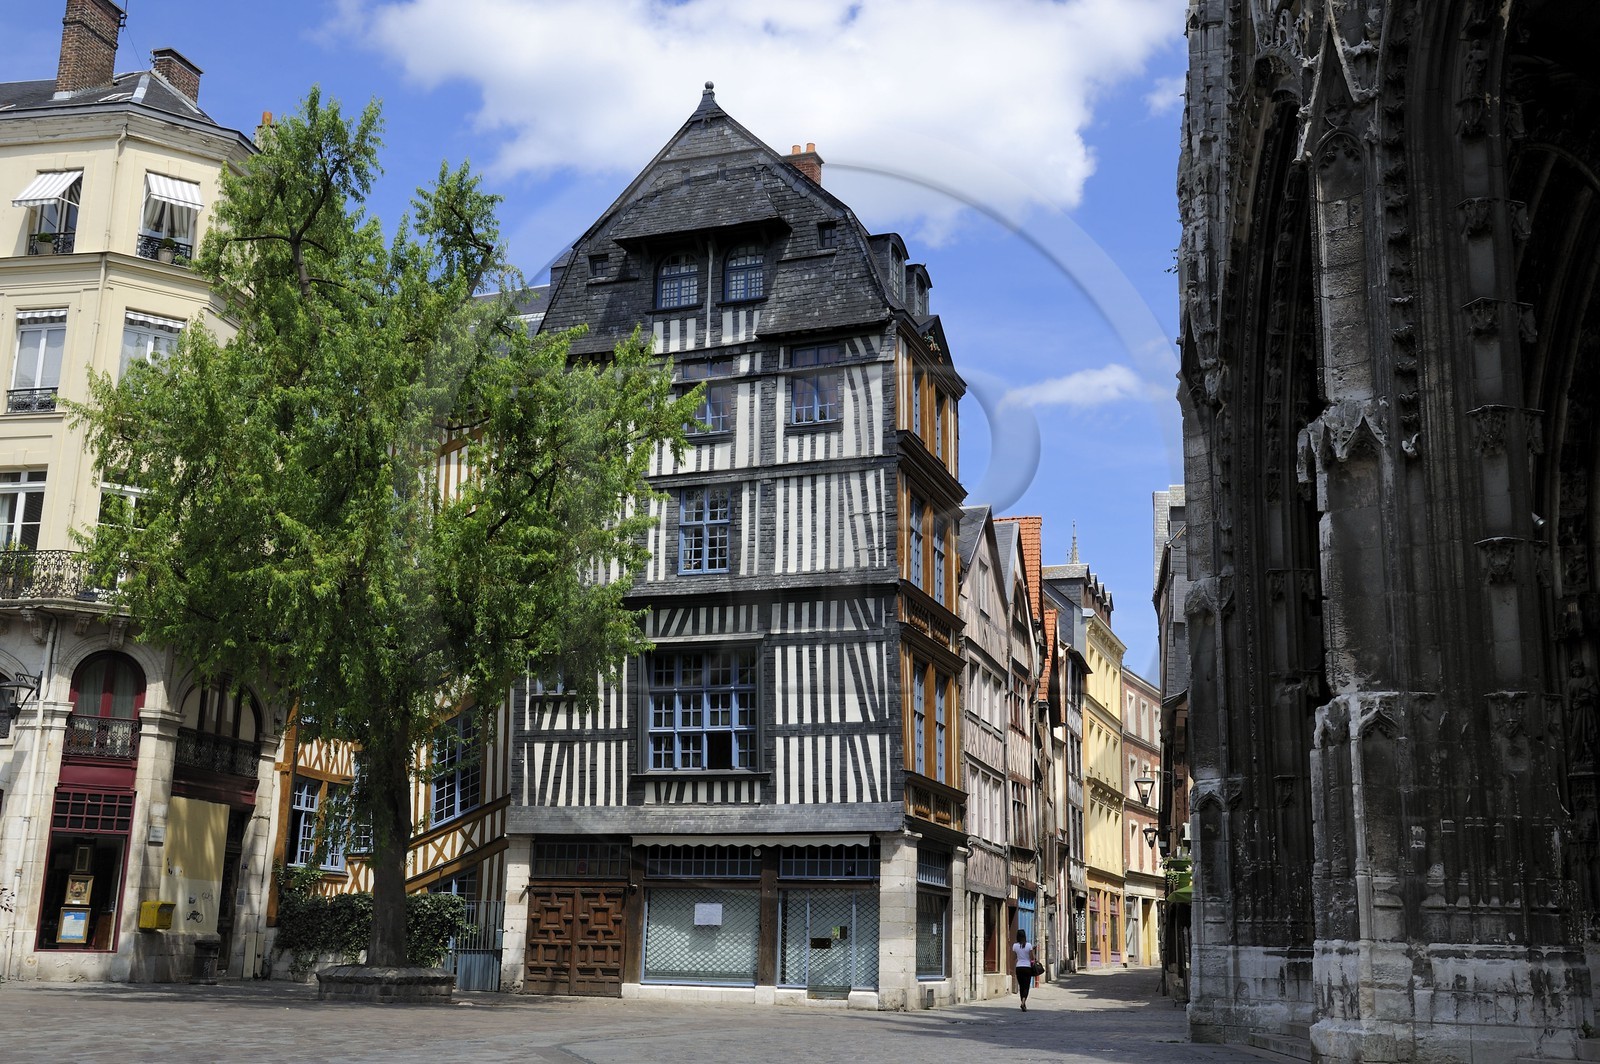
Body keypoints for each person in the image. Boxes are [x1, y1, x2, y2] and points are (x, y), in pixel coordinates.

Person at [1012, 929, 1038, 1011]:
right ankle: (1023, 1002)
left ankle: (1023, 1003)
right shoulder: (1029, 945)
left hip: (1019, 967)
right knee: (1026, 987)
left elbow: (1014, 957)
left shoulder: (1015, 946)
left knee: (1021, 986)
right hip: (1027, 967)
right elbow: (1032, 957)